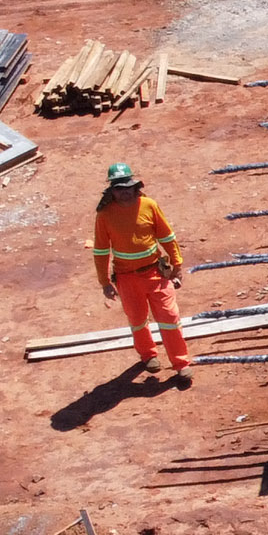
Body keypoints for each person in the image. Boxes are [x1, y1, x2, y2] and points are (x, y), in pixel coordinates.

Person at [90, 162, 191, 380]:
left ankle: (181, 363)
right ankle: (148, 355)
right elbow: (101, 251)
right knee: (137, 320)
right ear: (112, 191)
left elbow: (167, 237)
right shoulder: (105, 215)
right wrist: (105, 282)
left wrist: (177, 265)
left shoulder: (149, 205)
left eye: (128, 187)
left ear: (135, 186)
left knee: (169, 317)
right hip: (126, 278)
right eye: (119, 188)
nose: (124, 192)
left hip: (156, 274)